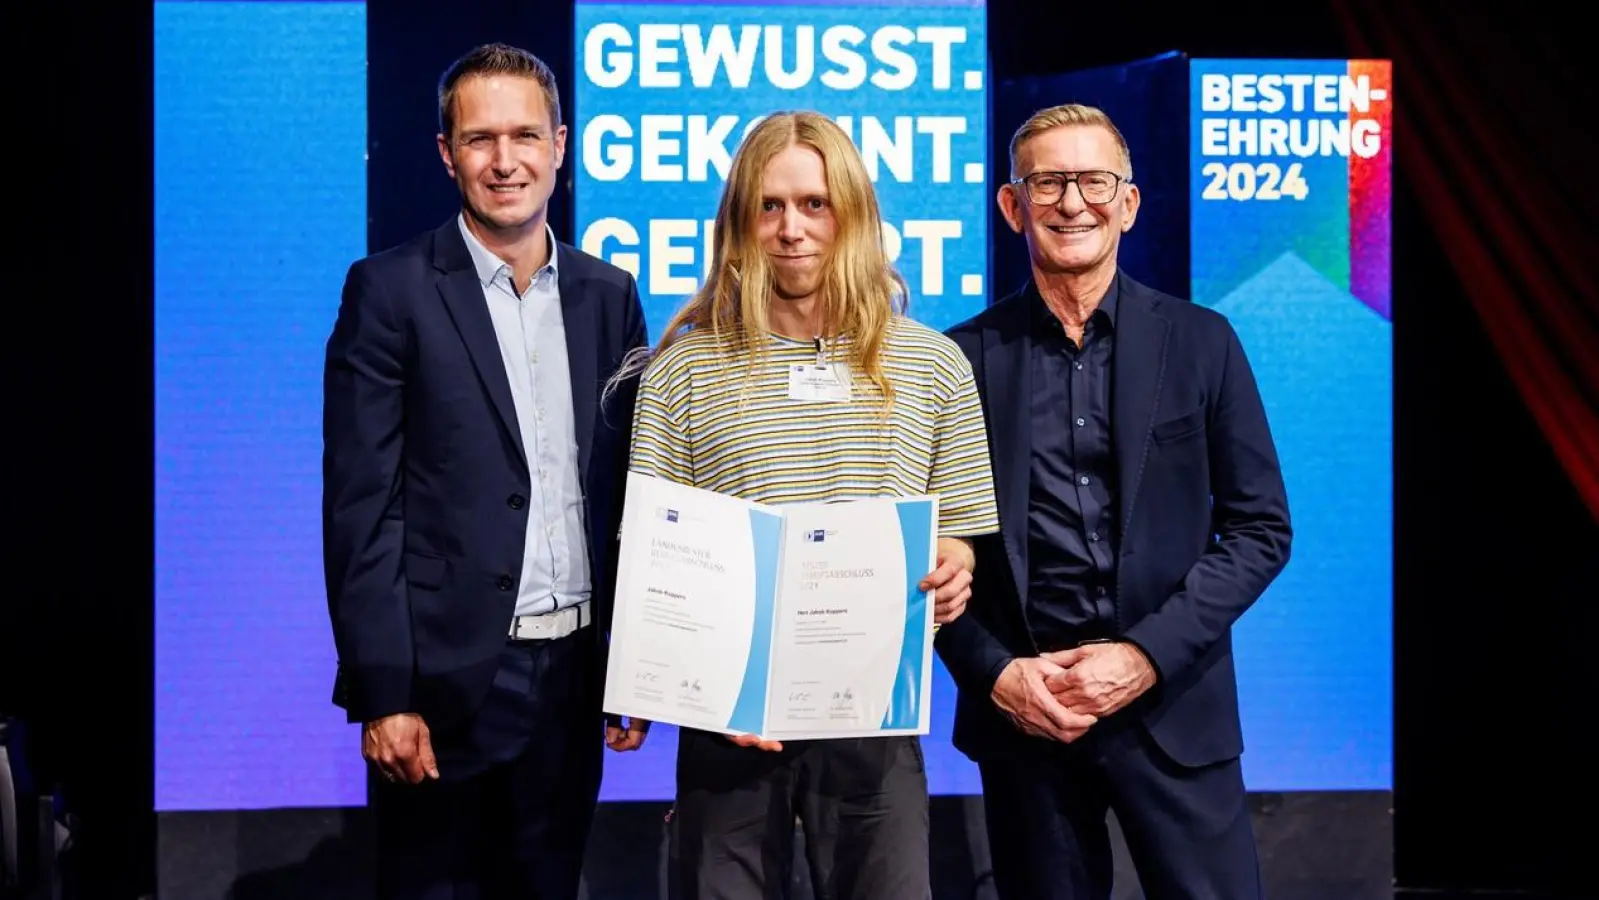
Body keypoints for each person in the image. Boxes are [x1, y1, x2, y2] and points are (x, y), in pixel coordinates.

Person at [618, 110, 1000, 900]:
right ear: (740, 221)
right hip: (729, 724)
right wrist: (674, 681)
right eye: (770, 205)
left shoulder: (934, 364)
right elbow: (653, 560)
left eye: (814, 204)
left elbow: (959, 533)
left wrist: (954, 568)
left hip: (873, 716)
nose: (791, 229)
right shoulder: (681, 370)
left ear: (852, 213)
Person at [936, 103, 1293, 899]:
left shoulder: (1202, 343)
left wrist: (1142, 658)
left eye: (1093, 180)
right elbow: (927, 553)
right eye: (1049, 181)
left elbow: (1261, 530)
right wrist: (996, 676)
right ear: (1010, 205)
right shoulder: (957, 360)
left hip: (1173, 706)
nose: (1072, 202)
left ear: (1126, 203)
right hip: (1029, 716)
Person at [321, 42, 649, 900]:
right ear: (446, 153)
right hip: (446, 685)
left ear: (560, 146)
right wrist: (384, 693)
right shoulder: (388, 291)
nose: (505, 162)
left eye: (524, 137)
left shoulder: (609, 293)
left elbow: (625, 495)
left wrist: (639, 660)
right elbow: (362, 508)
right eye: (479, 140)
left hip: (575, 678)